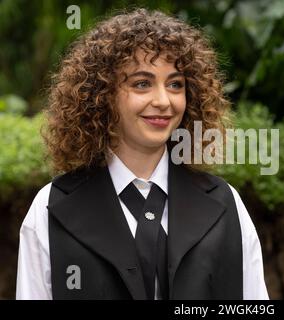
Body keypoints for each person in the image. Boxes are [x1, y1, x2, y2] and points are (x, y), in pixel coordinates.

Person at [16, 8, 269, 300]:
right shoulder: (50, 210)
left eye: (175, 84)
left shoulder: (226, 205)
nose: (163, 101)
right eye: (142, 83)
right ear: (103, 94)